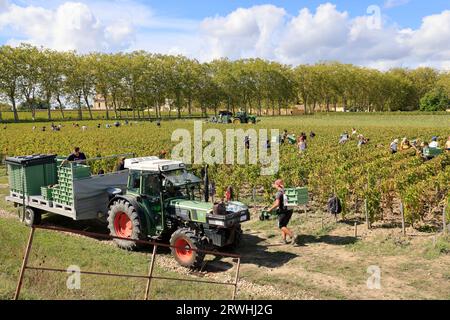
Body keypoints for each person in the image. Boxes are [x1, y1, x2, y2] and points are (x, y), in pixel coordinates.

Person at [268, 179, 295, 244]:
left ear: (277, 185)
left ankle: (293, 236)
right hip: (290, 210)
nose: (274, 185)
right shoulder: (285, 190)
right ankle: (284, 240)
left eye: (274, 184)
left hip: (283, 211)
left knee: (281, 226)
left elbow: (277, 204)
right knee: (284, 225)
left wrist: (270, 209)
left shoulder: (278, 193)